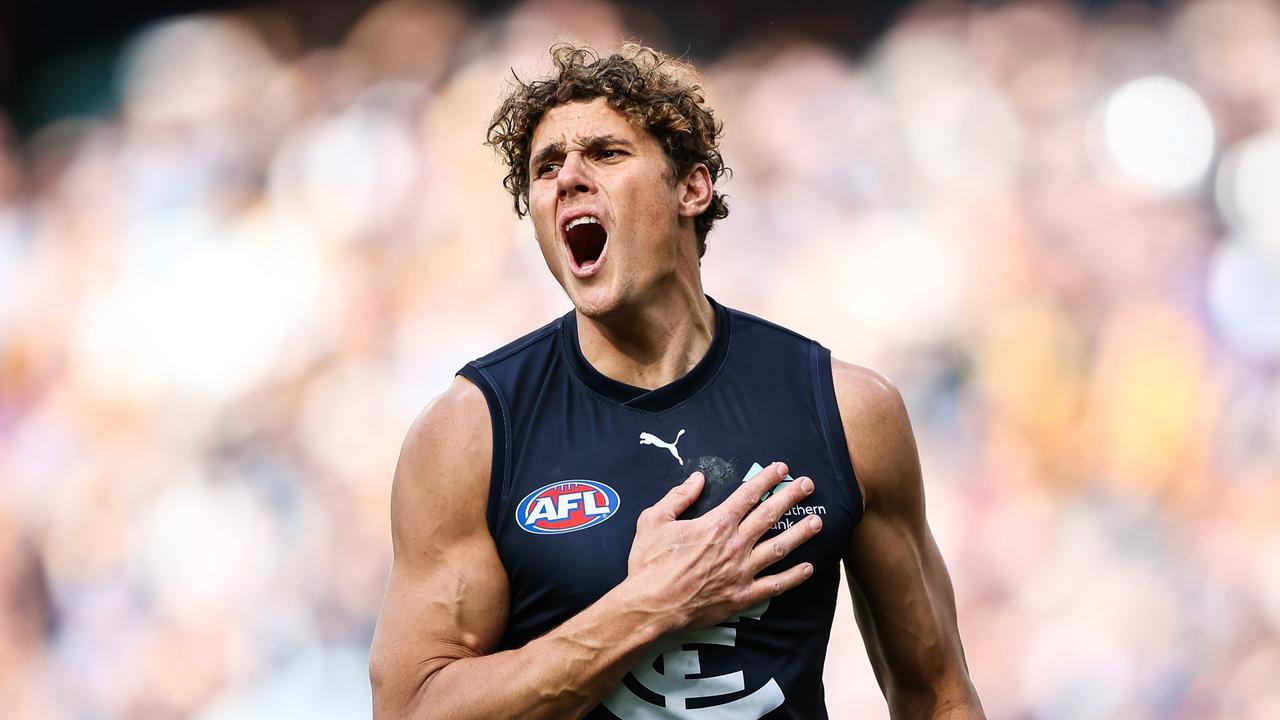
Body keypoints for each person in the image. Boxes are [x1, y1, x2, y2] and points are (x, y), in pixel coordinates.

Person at [369, 43, 985, 720]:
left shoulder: (845, 410)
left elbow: (937, 694)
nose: (569, 177)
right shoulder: (471, 432)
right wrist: (647, 608)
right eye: (546, 168)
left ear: (692, 188)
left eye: (606, 153)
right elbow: (410, 710)